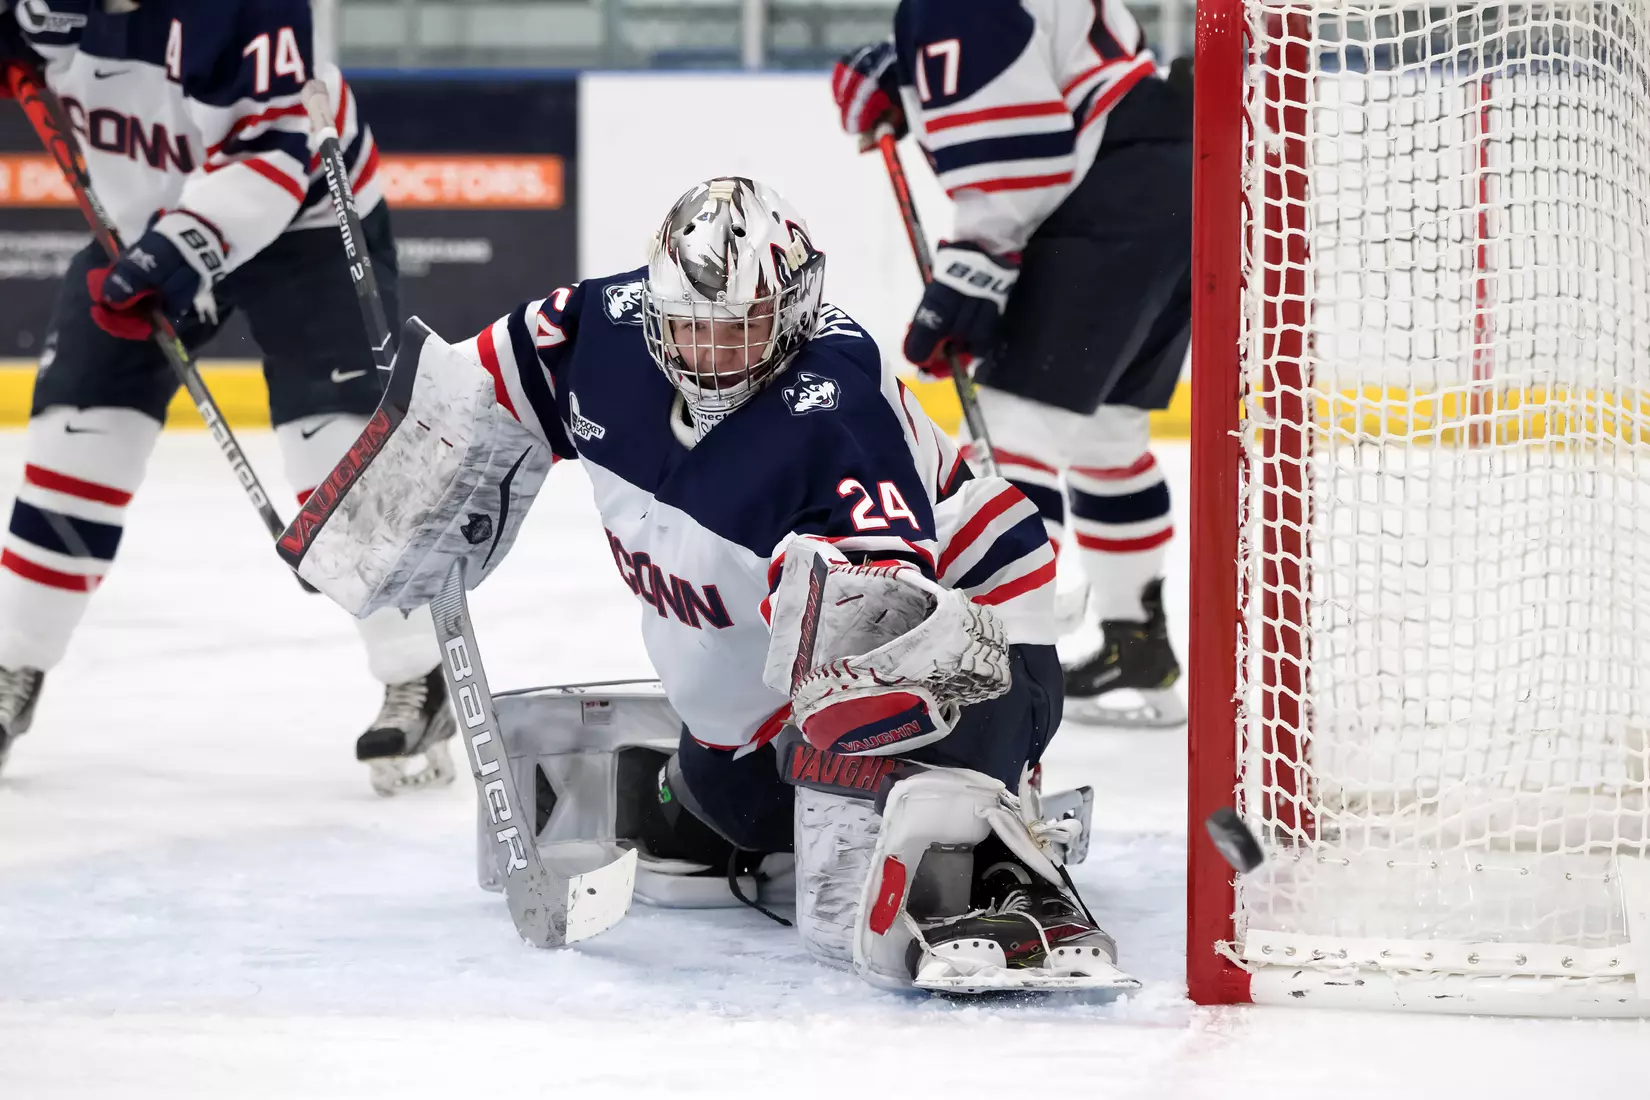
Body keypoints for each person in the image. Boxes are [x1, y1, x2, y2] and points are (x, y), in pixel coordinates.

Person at [283, 176, 1135, 992]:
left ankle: (997, 841)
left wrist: (869, 740)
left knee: (844, 843)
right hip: (766, 673)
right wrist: (416, 484)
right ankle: (794, 785)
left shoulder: (831, 411)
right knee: (729, 809)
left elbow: (891, 627)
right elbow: (486, 380)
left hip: (968, 636)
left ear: (792, 314)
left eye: (741, 327)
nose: (713, 353)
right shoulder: (605, 331)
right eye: (691, 328)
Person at [0, 0, 451, 793]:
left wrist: (179, 253)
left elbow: (272, 149)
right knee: (77, 442)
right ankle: (13, 665)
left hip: (303, 206)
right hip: (142, 215)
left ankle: (418, 673)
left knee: (334, 452)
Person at [831, 0, 1193, 726]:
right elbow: (1053, 66)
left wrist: (973, 275)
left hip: (1104, 208)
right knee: (1105, 438)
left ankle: (1005, 664)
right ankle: (1137, 646)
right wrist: (907, 78)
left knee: (1010, 426)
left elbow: (1019, 158)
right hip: (1174, 183)